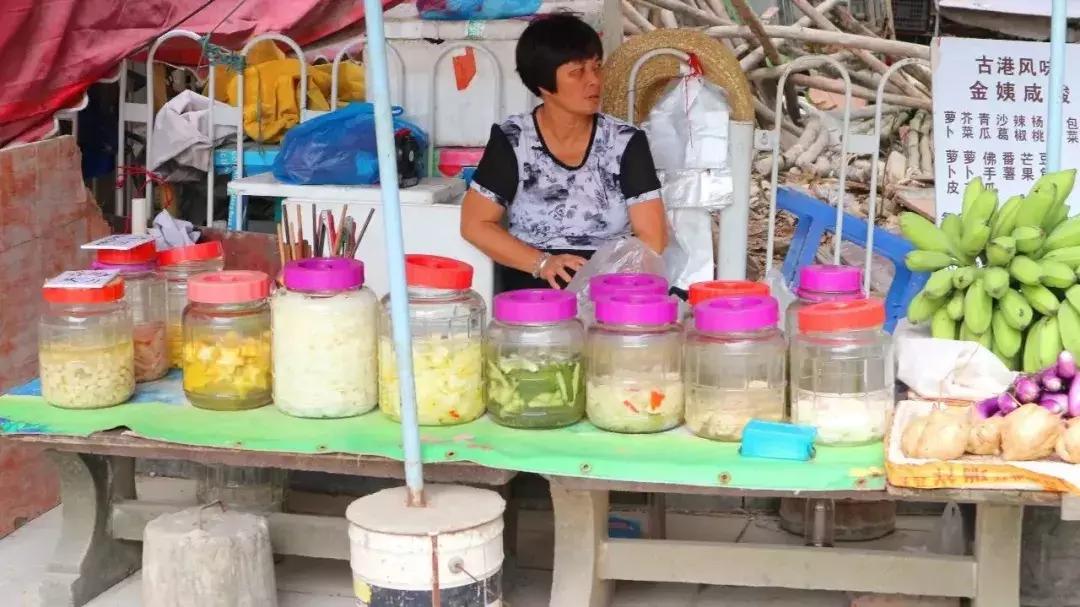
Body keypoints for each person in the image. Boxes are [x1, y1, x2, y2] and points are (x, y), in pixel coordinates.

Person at [460, 13, 668, 293]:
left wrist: (597, 281)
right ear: (543, 83)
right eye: (577, 72)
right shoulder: (514, 139)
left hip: (610, 285)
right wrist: (543, 263)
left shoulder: (625, 142)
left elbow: (653, 238)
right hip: (534, 286)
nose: (594, 80)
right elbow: (475, 224)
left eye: (597, 67)